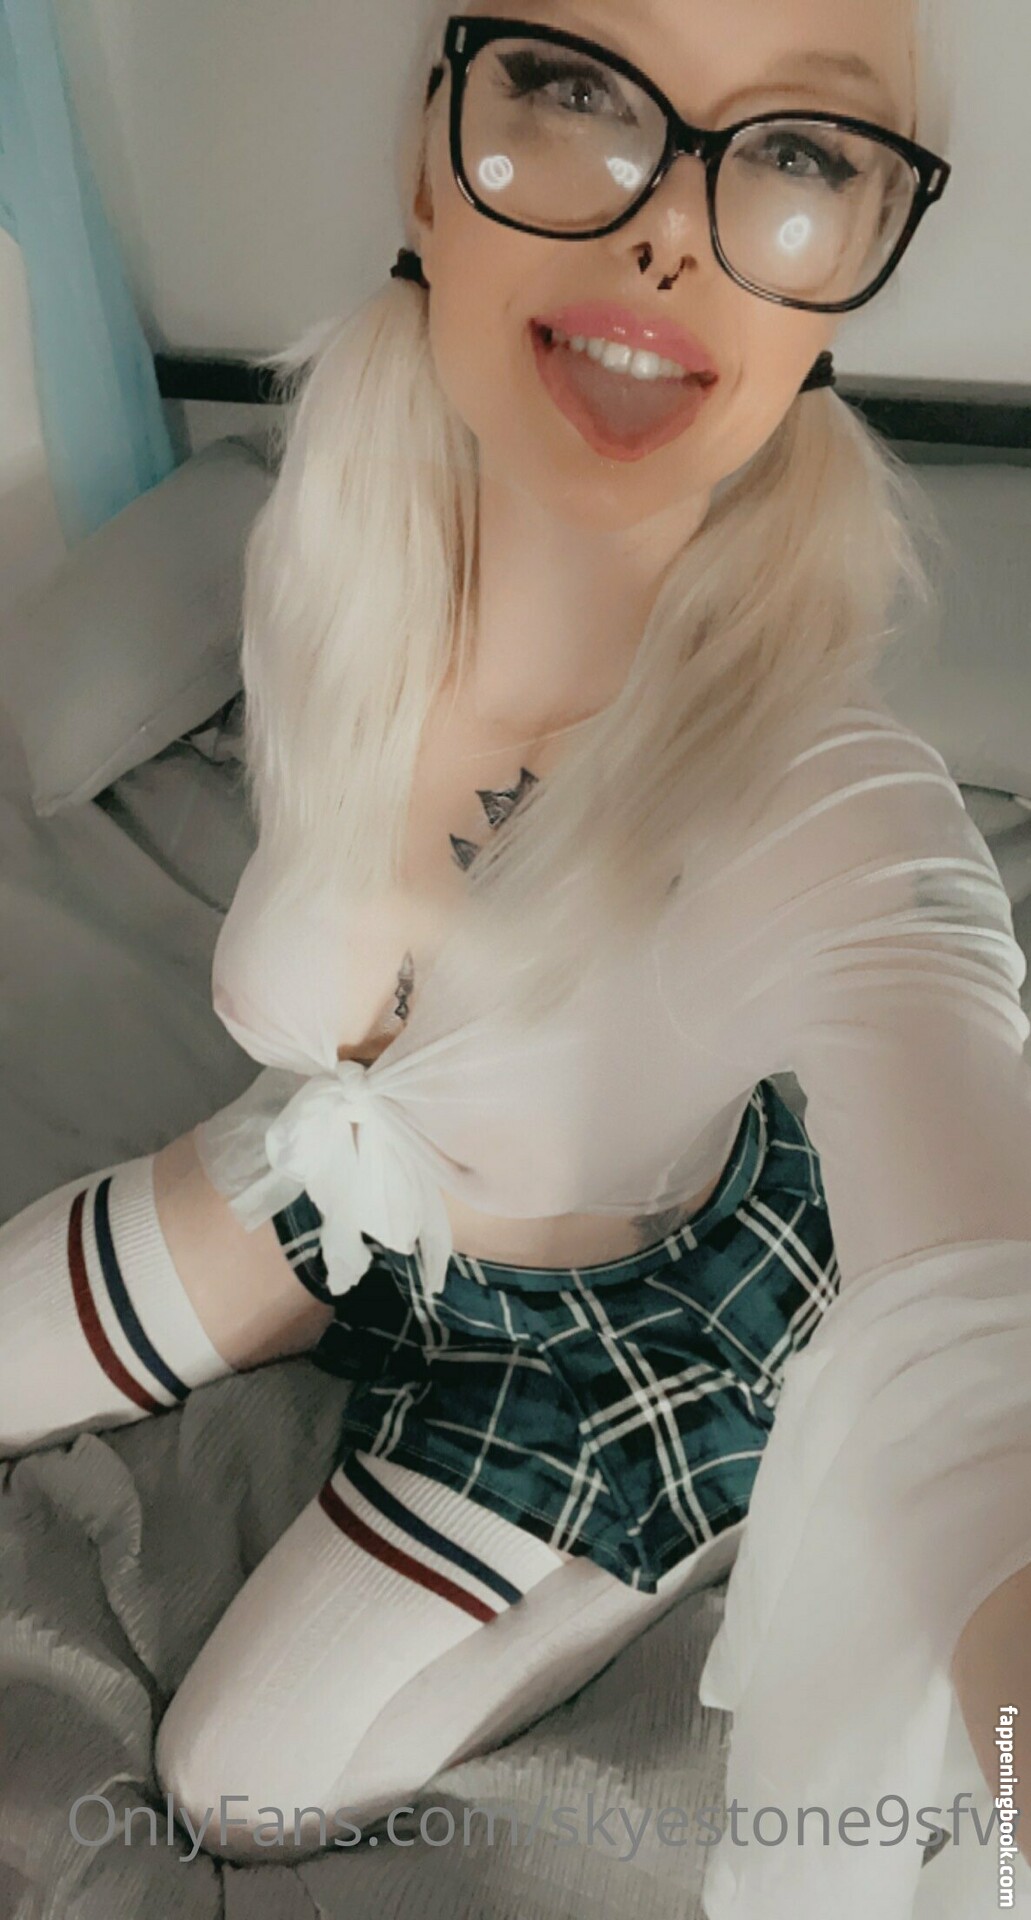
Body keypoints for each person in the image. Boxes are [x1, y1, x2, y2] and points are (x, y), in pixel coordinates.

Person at [2, 2, 1030, 1914]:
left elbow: (992, 1376)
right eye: (574, 88)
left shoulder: (829, 800)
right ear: (428, 155)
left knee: (234, 1787)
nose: (668, 234)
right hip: (340, 1173)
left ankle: (685, 1496)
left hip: (613, 1331)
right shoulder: (338, 512)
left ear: (853, 262)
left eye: (800, 152)